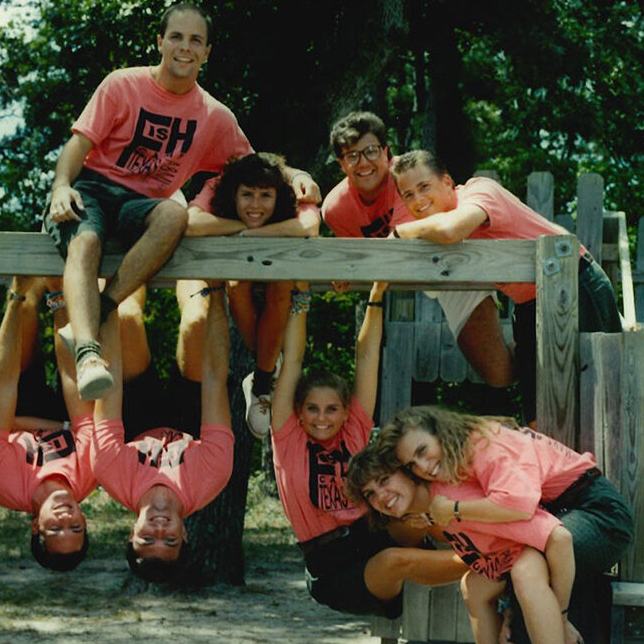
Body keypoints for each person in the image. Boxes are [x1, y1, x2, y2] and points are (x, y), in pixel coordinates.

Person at [44, 2, 319, 402]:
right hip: (93, 187)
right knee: (85, 243)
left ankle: (97, 310)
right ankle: (87, 354)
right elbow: (79, 143)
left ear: (207, 52)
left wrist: (298, 176)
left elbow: (257, 165)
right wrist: (60, 187)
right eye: (176, 37)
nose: (184, 47)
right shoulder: (122, 84)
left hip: (144, 204)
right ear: (159, 42)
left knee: (175, 214)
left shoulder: (213, 116)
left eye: (196, 40)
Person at [265, 281, 469, 617]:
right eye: (312, 409)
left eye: (331, 409)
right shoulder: (289, 438)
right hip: (331, 566)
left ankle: (501, 534)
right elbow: (294, 359)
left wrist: (376, 294)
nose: (321, 418)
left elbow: (367, 356)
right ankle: (494, 560)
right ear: (298, 413)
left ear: (346, 412)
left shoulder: (353, 432)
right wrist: (300, 296)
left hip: (373, 531)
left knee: (423, 510)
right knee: (394, 560)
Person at [390, 149, 624, 420]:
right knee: (539, 415)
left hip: (574, 284)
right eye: (408, 195)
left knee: (598, 402)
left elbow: (450, 230)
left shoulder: (478, 192)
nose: (418, 200)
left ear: (447, 182)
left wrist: (401, 230)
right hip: (528, 305)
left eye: (424, 187)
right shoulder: (431, 228)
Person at [382, 406, 634, 642]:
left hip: (599, 513)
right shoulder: (459, 458)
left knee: (526, 568)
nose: (423, 467)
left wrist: (452, 510)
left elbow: (517, 506)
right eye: (412, 465)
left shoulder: (485, 445)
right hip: (559, 511)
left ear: (440, 432)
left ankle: (559, 625)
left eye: (422, 451)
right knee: (474, 585)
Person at [321, 112, 512, 391]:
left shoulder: (405, 177)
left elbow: (404, 248)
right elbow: (356, 260)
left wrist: (363, 263)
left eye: (371, 151)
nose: (363, 163)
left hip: (448, 260)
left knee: (499, 372)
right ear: (341, 164)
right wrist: (346, 270)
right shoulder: (335, 209)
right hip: (400, 279)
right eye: (352, 155)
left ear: (387, 153)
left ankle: (533, 345)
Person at [346, 441, 578, 644]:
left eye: (384, 480)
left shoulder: (453, 500)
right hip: (506, 559)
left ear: (407, 471)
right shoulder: (428, 514)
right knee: (473, 585)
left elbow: (544, 529)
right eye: (370, 494)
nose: (381, 496)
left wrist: (558, 617)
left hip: (545, 540)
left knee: (524, 571)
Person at [80, 280, 234, 583]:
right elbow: (215, 378)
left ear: (131, 533)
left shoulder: (111, 472)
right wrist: (217, 290)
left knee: (123, 317)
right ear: (185, 535)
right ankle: (196, 260)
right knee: (197, 322)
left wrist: (106, 300)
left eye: (148, 539)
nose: (159, 530)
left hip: (137, 418)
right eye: (170, 540)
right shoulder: (212, 476)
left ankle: (126, 260)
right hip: (190, 420)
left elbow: (109, 385)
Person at [185, 152, 321, 433]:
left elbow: (309, 226)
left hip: (281, 282)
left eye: (265, 196)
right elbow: (190, 223)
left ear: (277, 194)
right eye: (247, 195)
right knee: (237, 282)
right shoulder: (217, 185)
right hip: (237, 283)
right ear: (233, 193)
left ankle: (261, 380)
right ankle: (265, 369)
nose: (255, 205)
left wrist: (250, 235)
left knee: (282, 284)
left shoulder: (293, 188)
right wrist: (240, 225)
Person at [0, 277, 100, 572]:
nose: (66, 519)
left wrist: (16, 297)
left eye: (56, 530)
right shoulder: (91, 474)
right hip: (64, 414)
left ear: (35, 527)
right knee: (84, 375)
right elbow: (74, 382)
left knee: (27, 304)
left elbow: (1, 388)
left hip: (16, 403)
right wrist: (59, 298)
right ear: (84, 521)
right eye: (76, 528)